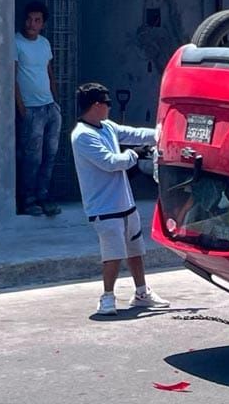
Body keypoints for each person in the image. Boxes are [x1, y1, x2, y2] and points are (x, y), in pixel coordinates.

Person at [71, 83, 169, 315]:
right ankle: (107, 298)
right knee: (113, 255)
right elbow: (110, 162)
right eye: (107, 103)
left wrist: (162, 134)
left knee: (136, 250)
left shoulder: (107, 127)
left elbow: (134, 133)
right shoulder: (82, 136)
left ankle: (142, 293)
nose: (109, 108)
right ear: (96, 105)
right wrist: (136, 154)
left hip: (125, 203)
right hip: (104, 207)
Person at [15, 1, 62, 216]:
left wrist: (55, 101)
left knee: (49, 155)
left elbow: (49, 71)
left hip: (49, 107)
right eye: (29, 19)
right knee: (31, 158)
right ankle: (28, 199)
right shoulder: (16, 43)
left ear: (43, 24)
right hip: (31, 109)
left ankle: (44, 196)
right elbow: (12, 77)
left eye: (37, 20)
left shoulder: (44, 43)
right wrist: (21, 108)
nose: (31, 24)